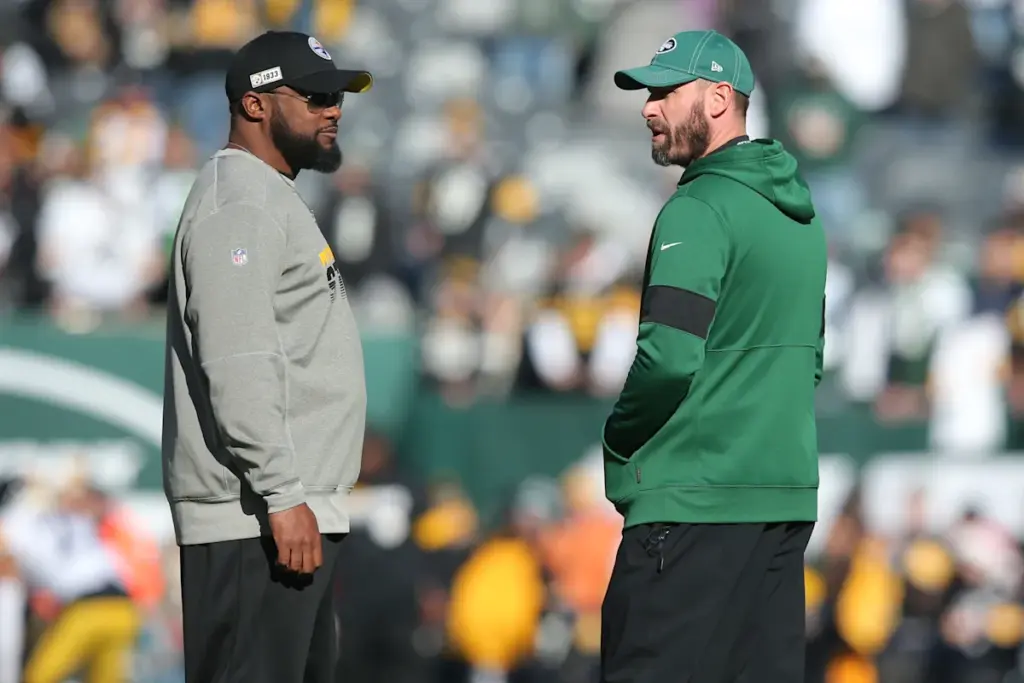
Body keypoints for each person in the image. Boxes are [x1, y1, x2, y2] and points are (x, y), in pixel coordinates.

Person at [599, 30, 827, 683]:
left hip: (691, 508)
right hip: (781, 509)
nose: (649, 107)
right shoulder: (802, 217)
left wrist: (618, 438)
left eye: (667, 92)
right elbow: (811, 361)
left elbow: (668, 358)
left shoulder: (698, 208)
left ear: (720, 98)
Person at [161, 30, 372, 683]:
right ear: (254, 104)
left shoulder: (265, 194)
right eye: (314, 96)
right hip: (255, 517)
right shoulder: (239, 202)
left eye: (337, 97)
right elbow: (238, 357)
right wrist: (282, 494)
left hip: (280, 511)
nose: (333, 110)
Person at [0, 477, 140, 683]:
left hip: (87, 610)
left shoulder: (20, 524)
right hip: (125, 610)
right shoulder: (74, 518)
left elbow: (10, 557)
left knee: (38, 677)